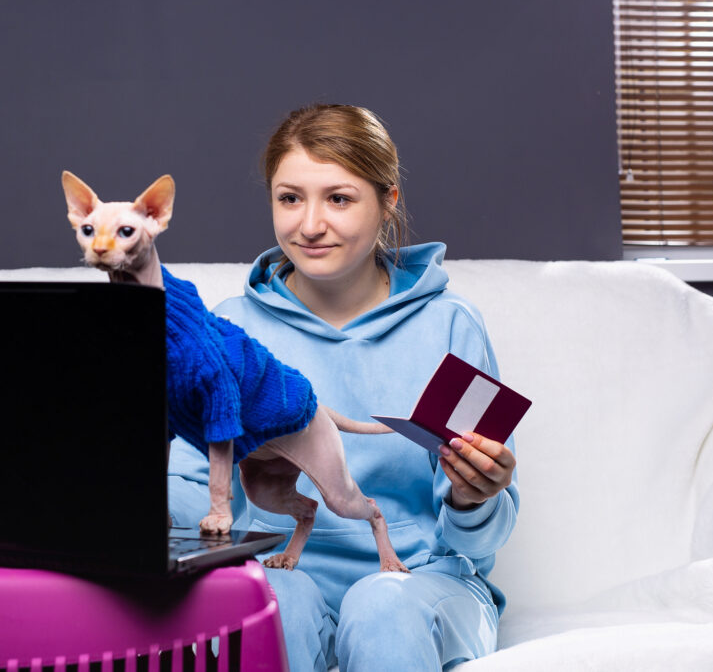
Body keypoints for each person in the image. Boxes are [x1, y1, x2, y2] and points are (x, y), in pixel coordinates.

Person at [167, 103, 518, 671]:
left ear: (387, 202)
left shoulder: (451, 325)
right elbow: (191, 493)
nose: (309, 225)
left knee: (382, 608)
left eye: (339, 198)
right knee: (272, 605)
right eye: (289, 198)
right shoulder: (232, 328)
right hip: (279, 573)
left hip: (420, 584)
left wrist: (474, 497)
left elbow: (479, 545)